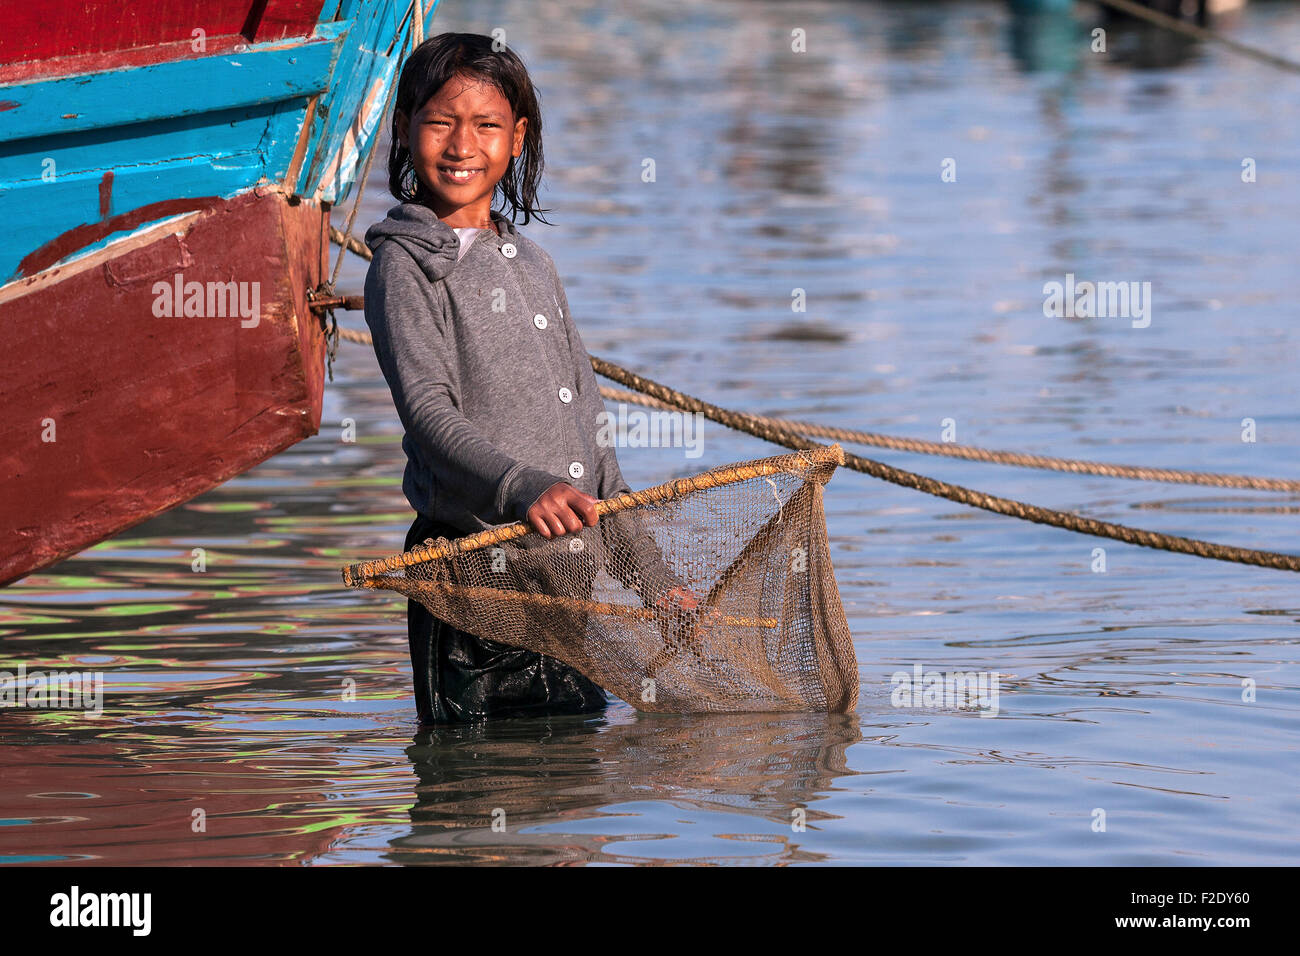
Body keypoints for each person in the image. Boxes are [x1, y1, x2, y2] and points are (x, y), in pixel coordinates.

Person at [364, 33, 699, 724]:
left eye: (486, 126)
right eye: (440, 122)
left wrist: (652, 578)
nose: (462, 145)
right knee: (482, 790)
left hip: (566, 590)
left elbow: (595, 447)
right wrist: (522, 487)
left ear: (517, 139)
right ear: (404, 129)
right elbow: (428, 412)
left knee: (573, 789)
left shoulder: (534, 264)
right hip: (475, 581)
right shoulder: (404, 267)